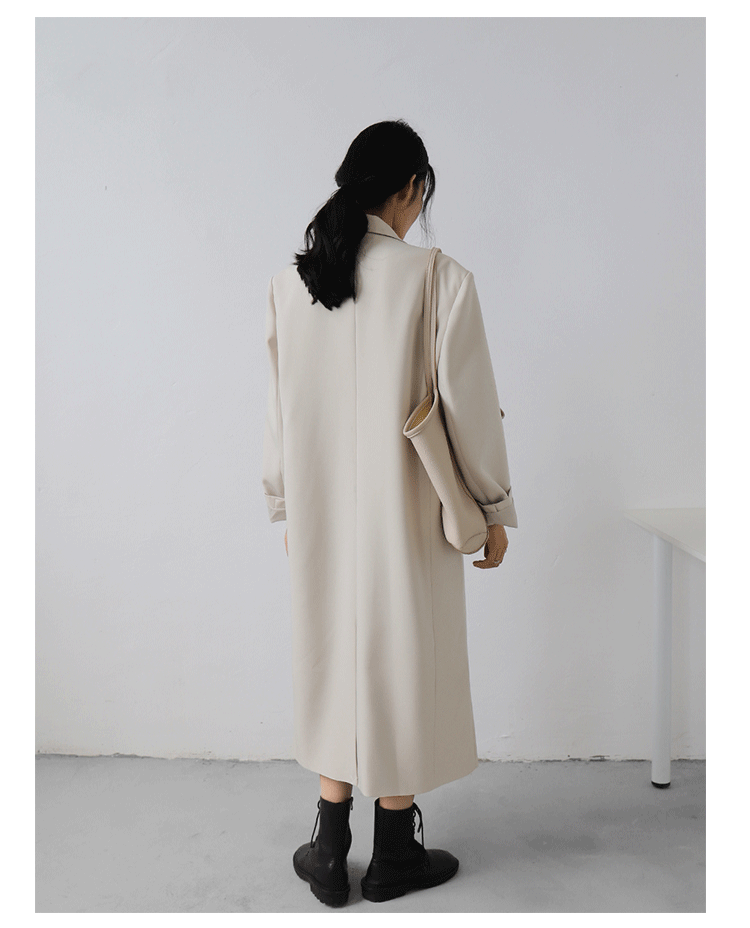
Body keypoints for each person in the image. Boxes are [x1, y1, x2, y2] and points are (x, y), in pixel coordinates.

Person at [262, 119, 517, 906]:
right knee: (405, 655)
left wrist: (286, 504)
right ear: (410, 188)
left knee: (333, 651)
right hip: (412, 507)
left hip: (321, 514)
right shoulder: (438, 278)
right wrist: (492, 507)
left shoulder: (294, 284)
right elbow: (469, 408)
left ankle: (328, 846)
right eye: (419, 195)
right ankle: (395, 852)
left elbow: (279, 412)